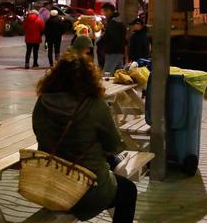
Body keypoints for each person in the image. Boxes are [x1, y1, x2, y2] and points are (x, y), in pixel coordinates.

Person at [32, 53, 136, 222]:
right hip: (87, 186)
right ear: (90, 78)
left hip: (50, 182)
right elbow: (113, 144)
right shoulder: (95, 105)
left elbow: (39, 133)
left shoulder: (42, 102)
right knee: (129, 191)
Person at [99, 3, 126, 74]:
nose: (104, 14)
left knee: (107, 75)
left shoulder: (113, 23)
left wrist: (103, 39)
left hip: (113, 53)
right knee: (119, 73)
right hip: (119, 52)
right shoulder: (118, 20)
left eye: (104, 11)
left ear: (109, 11)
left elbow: (114, 38)